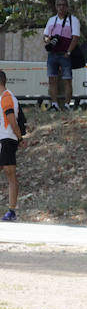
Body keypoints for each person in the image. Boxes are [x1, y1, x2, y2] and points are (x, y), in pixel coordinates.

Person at [42, 0, 81, 112]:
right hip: (52, 54)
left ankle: (67, 105)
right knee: (52, 80)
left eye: (63, 5)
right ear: (55, 7)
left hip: (65, 54)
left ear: (67, 6)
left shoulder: (73, 20)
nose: (61, 7)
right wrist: (48, 40)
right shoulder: (51, 20)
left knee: (67, 80)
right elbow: (44, 36)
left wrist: (68, 52)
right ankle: (54, 104)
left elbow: (75, 38)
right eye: (59, 5)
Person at [0, 71, 24, 222]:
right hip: (3, 140)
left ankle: (12, 211)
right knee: (10, 175)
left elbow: (12, 121)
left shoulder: (7, 97)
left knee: (11, 175)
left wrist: (20, 138)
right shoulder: (3, 97)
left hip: (7, 140)